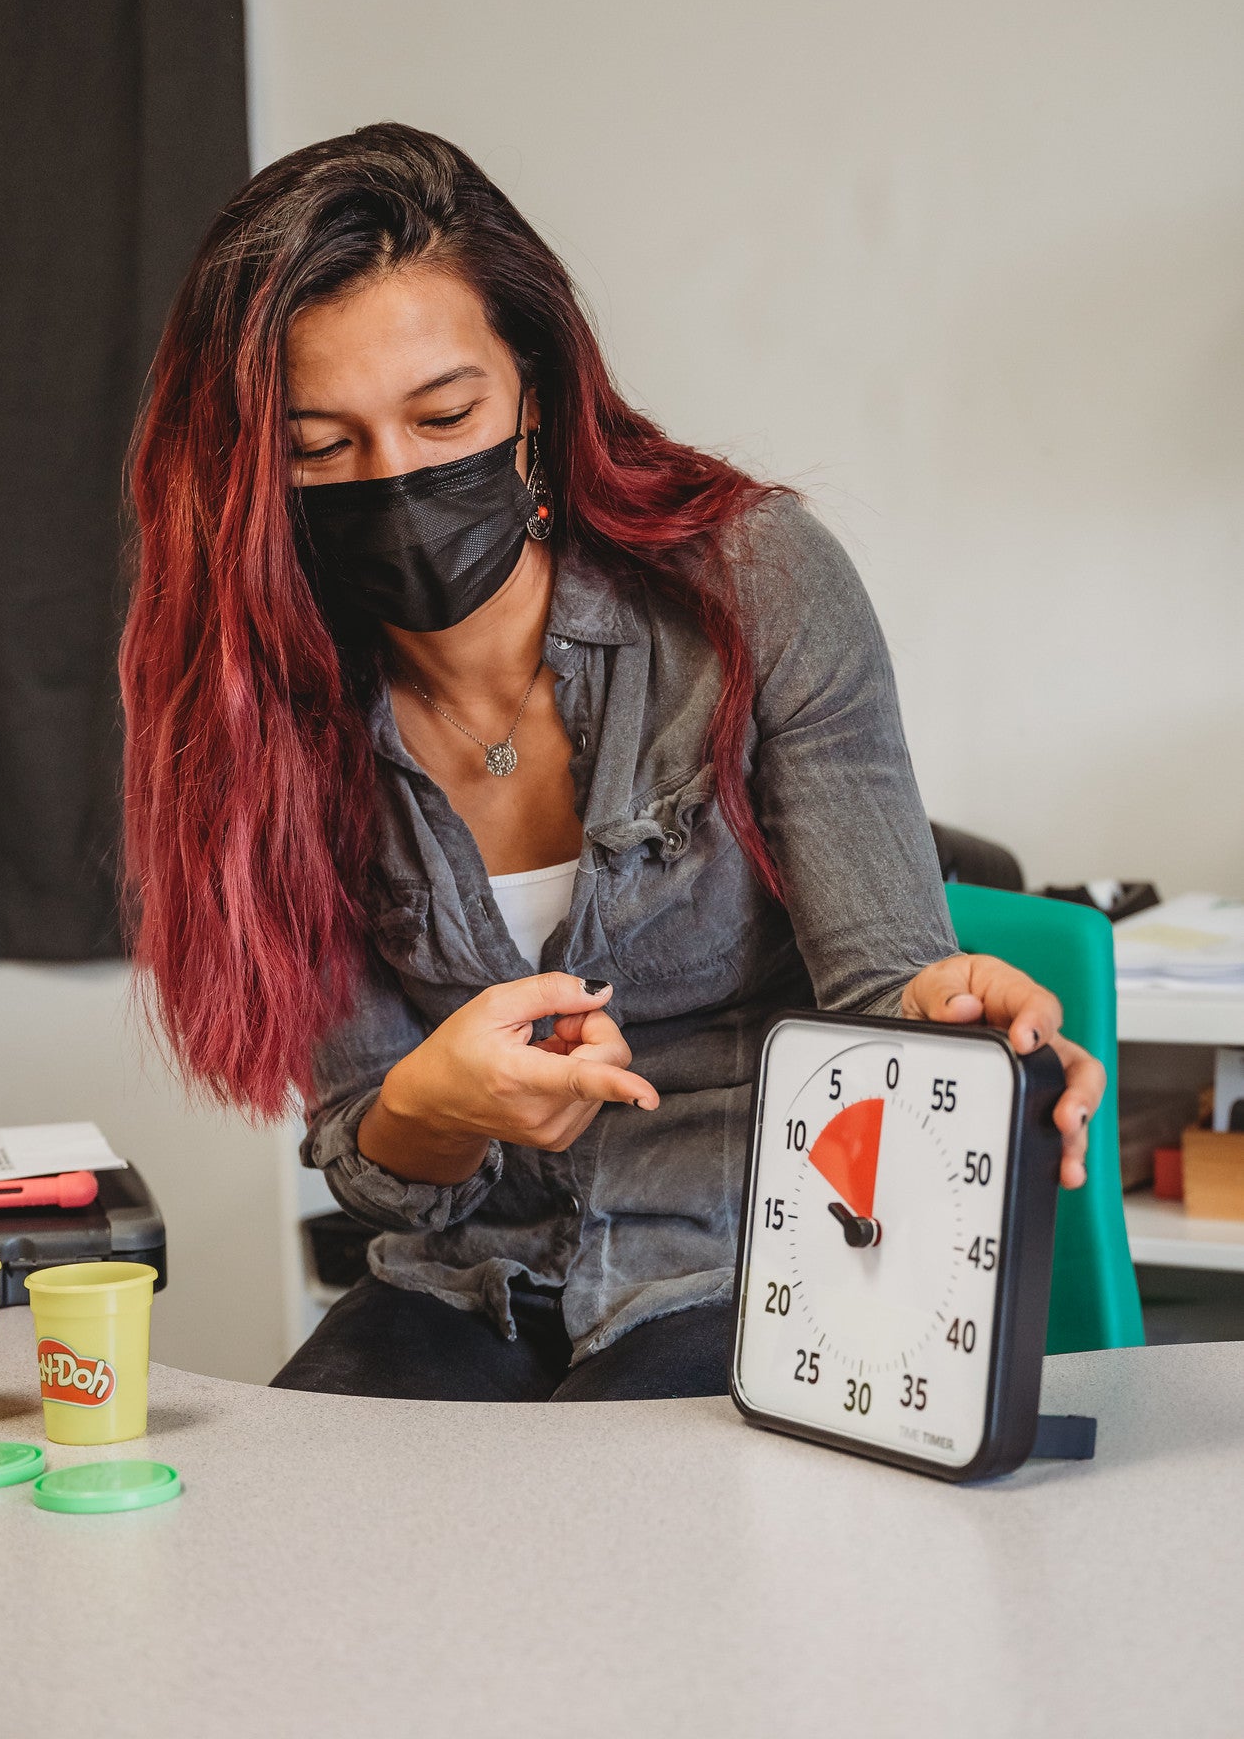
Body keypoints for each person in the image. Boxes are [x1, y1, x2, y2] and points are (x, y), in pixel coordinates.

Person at [119, 121, 1103, 1402]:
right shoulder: (256, 701)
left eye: (445, 413)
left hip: (749, 1266)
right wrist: (440, 1097)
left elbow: (885, 1002)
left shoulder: (759, 586)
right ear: (255, 468)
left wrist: (961, 1028)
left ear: (533, 388)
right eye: (322, 446)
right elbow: (368, 1145)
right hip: (457, 1282)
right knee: (283, 1545)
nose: (398, 477)